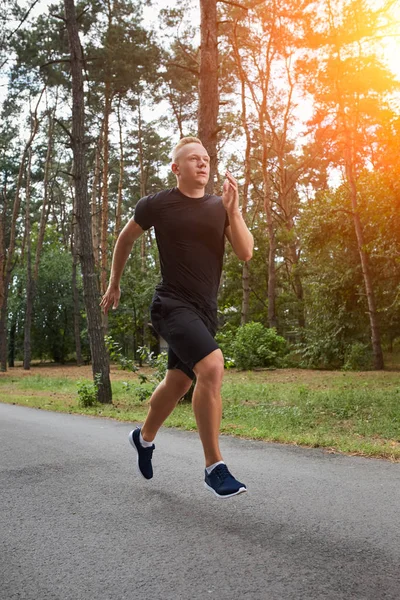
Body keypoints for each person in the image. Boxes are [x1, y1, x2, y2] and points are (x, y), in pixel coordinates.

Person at [100, 137, 254, 498]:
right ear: (176, 168)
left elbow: (245, 252)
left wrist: (235, 210)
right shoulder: (158, 204)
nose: (203, 164)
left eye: (206, 159)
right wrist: (114, 284)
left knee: (178, 384)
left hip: (204, 310)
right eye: (193, 159)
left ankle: (143, 438)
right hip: (170, 304)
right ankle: (215, 467)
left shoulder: (220, 207)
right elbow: (124, 239)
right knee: (213, 367)